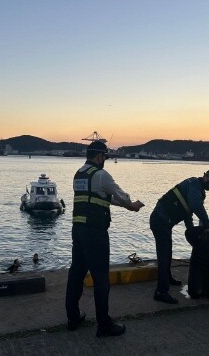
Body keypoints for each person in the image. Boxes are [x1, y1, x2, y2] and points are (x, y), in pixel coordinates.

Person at [65, 141, 145, 338]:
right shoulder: (101, 175)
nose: (105, 161)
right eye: (105, 157)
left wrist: (126, 206)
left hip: (78, 230)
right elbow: (119, 194)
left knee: (76, 273)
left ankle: (73, 318)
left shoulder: (79, 174)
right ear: (100, 156)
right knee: (101, 278)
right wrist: (132, 205)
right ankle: (104, 325)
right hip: (95, 232)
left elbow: (102, 198)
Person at [150, 169, 209, 304]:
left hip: (165, 222)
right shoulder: (194, 184)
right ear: (205, 177)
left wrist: (192, 232)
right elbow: (196, 206)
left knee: (167, 252)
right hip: (160, 221)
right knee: (164, 255)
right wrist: (207, 224)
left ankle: (168, 277)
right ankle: (161, 292)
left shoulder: (197, 189)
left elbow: (187, 212)